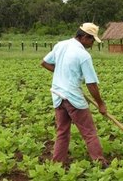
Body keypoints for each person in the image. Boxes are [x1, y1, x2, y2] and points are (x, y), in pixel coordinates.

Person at [41, 23, 108, 168]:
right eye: (91, 40)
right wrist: (101, 104)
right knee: (89, 132)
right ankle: (100, 163)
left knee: (62, 132)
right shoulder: (83, 55)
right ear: (84, 37)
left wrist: (64, 75)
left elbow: (44, 63)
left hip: (58, 95)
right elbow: (91, 84)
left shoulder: (61, 45)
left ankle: (57, 165)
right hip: (73, 98)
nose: (92, 44)